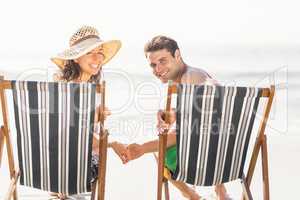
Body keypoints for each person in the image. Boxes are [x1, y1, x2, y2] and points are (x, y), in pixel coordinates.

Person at [124, 36, 231, 200]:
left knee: (159, 151)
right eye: (153, 65)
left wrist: (142, 148)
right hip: (228, 160)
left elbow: (181, 134)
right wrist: (168, 114)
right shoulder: (191, 76)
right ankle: (220, 192)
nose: (158, 69)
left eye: (163, 61)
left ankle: (193, 196)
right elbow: (202, 115)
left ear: (177, 55)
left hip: (203, 163)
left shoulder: (191, 79)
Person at [51, 25, 128, 199]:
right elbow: (77, 134)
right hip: (75, 168)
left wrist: (94, 115)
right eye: (89, 52)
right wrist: (111, 144)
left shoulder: (63, 86)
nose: (97, 57)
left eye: (100, 51)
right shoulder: (75, 90)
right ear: (76, 58)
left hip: (47, 165)